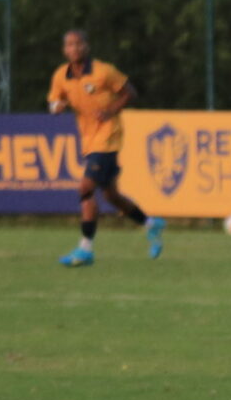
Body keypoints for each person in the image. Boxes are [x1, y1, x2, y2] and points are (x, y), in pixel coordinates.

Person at [47, 29, 164, 267]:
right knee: (111, 195)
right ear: (64, 50)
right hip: (89, 140)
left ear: (86, 47)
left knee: (85, 188)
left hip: (109, 137)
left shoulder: (103, 71)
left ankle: (85, 249)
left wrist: (111, 110)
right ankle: (151, 224)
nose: (74, 48)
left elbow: (130, 92)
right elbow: (54, 102)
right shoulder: (61, 75)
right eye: (69, 45)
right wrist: (55, 107)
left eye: (79, 44)